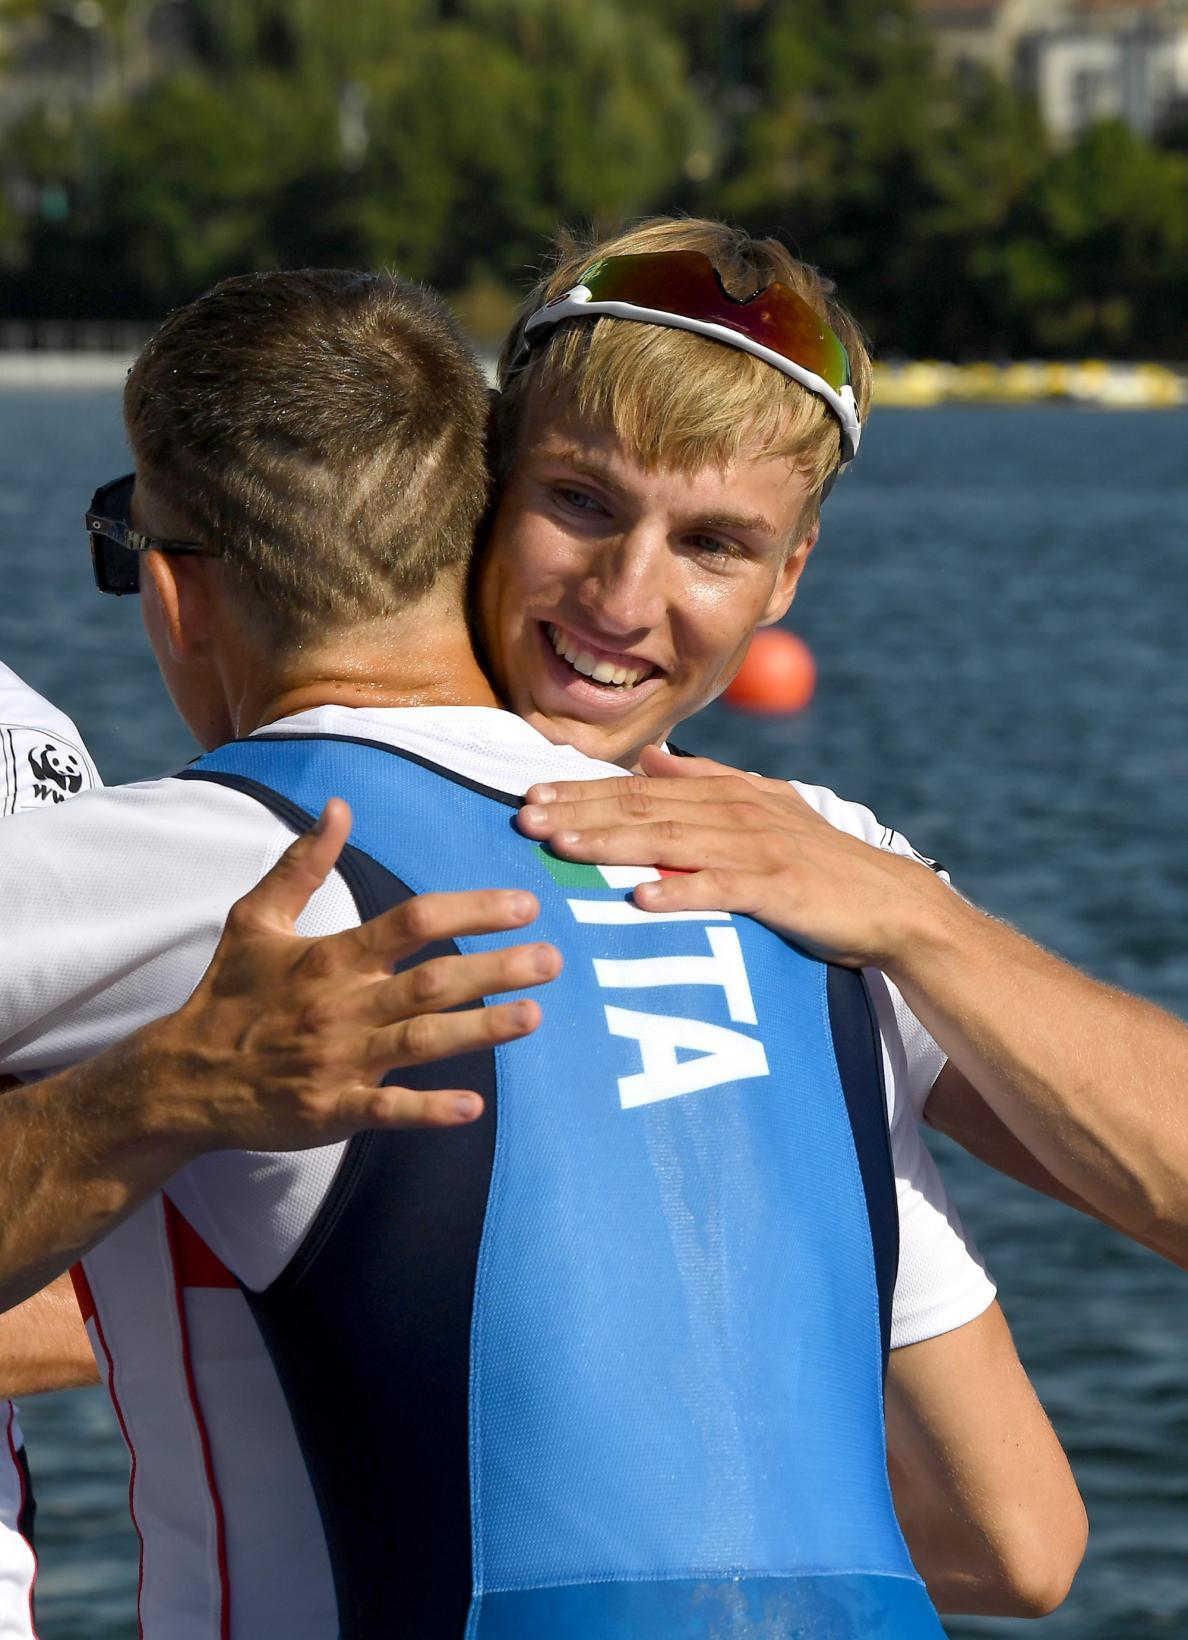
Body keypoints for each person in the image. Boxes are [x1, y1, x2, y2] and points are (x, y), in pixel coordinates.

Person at [0, 267, 1084, 1636]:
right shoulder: (802, 879)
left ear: (173, 591)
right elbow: (1022, 1545)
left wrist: (143, 1103)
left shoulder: (222, 864)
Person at [480, 217, 1188, 1269]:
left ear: (789, 576)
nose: (622, 601)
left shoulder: (815, 855)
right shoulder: (287, 796)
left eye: (711, 544)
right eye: (581, 501)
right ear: (490, 476)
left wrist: (915, 920)